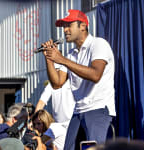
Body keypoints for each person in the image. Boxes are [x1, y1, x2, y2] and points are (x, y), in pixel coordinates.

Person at [42, 9, 115, 150]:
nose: (65, 30)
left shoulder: (99, 44)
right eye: (63, 26)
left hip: (98, 109)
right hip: (78, 112)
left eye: (69, 25)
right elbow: (57, 83)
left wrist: (62, 60)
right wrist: (49, 59)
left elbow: (95, 75)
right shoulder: (71, 54)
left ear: (83, 26)